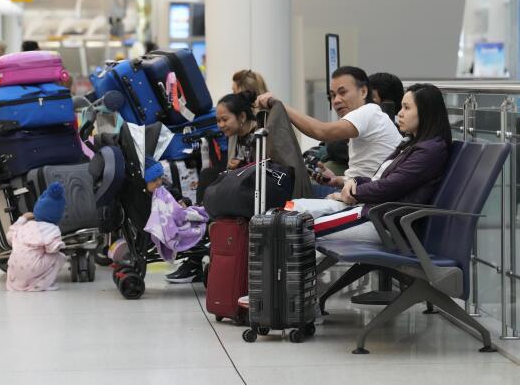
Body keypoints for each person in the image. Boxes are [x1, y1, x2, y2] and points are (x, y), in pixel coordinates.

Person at [289, 83, 452, 243]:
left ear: (425, 112)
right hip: (371, 211)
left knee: (296, 226)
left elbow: (390, 187)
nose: (400, 114)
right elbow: (381, 182)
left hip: (383, 221)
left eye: (407, 108)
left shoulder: (429, 151)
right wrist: (354, 182)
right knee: (292, 207)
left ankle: (285, 269)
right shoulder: (411, 144)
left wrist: (352, 193)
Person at [257, 66, 403, 198]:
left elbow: (321, 131)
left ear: (364, 91)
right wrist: (336, 180)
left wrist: (280, 106)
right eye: (332, 95)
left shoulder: (368, 112)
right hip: (361, 194)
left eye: (342, 92)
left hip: (367, 203)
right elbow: (367, 174)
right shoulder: (368, 116)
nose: (336, 100)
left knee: (282, 198)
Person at [166, 91, 260, 284]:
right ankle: (201, 222)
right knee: (210, 175)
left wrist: (238, 168)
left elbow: (261, 170)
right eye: (218, 120)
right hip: (241, 188)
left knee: (212, 178)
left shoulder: (259, 136)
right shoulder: (236, 136)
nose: (220, 125)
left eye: (224, 119)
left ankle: (199, 231)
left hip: (254, 195)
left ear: (242, 116)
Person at [6, 182, 67, 291]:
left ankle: (23, 282)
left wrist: (23, 218)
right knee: (59, 257)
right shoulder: (53, 230)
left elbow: (10, 236)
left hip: (14, 269)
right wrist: (60, 245)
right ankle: (42, 283)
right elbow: (52, 249)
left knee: (25, 256)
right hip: (33, 268)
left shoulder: (25, 226)